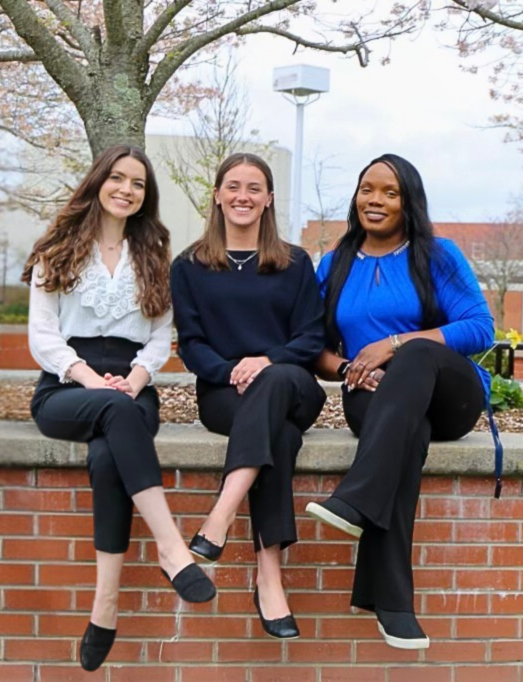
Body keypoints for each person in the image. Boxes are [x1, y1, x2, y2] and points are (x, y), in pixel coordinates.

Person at [25, 145, 216, 672]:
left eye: (137, 183)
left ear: (145, 195)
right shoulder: (58, 248)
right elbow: (42, 337)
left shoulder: (153, 251)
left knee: (111, 453)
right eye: (117, 178)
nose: (126, 189)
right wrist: (90, 379)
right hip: (66, 384)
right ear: (99, 182)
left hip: (132, 386)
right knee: (114, 415)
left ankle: (104, 607)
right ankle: (172, 548)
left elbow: (160, 337)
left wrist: (133, 380)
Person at [305, 154, 495, 650]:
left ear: (408, 201)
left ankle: (356, 498)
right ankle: (393, 606)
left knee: (414, 355)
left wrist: (394, 344)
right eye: (367, 189)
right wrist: (347, 369)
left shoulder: (437, 254)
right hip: (374, 397)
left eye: (390, 192)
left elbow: (480, 329)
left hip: (448, 395)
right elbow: (310, 347)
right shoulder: (335, 263)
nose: (376, 200)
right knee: (403, 436)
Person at [171, 153, 326, 640]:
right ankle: (269, 574)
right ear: (216, 194)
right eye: (233, 186)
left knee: (276, 380)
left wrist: (267, 360)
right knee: (276, 436)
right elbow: (191, 344)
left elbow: (312, 337)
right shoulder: (189, 266)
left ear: (269, 199)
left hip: (292, 384)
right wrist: (231, 371)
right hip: (224, 394)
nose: (243, 196)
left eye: (254, 188)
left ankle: (220, 516)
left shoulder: (296, 262)